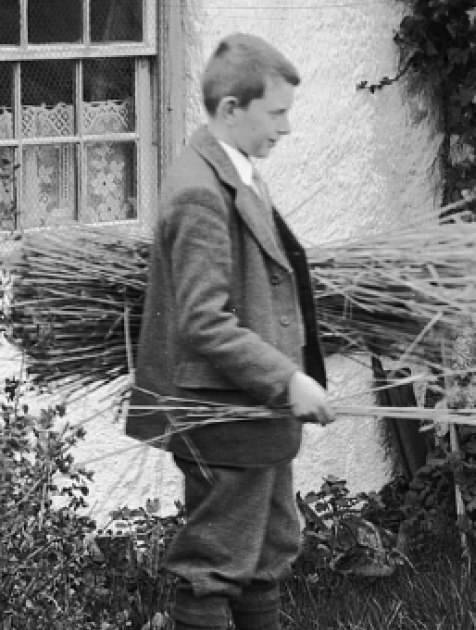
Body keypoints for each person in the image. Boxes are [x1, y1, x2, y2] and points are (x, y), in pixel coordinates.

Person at [126, 33, 333, 630]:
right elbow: (203, 320)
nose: (287, 128)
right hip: (222, 411)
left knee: (265, 552)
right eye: (277, 112)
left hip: (251, 410)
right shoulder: (199, 190)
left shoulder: (239, 170)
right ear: (231, 110)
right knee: (214, 564)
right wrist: (288, 381)